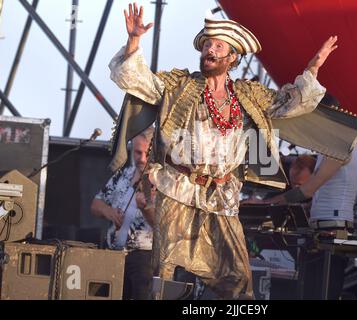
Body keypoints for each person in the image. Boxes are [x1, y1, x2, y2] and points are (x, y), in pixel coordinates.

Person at [108, 3, 339, 299]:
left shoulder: (247, 96)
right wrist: (134, 41)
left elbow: (289, 103)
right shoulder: (180, 85)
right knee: (166, 277)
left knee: (239, 283)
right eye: (207, 45)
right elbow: (137, 80)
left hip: (222, 198)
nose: (210, 50)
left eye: (218, 45)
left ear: (232, 57)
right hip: (179, 189)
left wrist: (313, 67)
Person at [91, 128, 156, 300]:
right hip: (113, 253)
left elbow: (161, 225)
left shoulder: (162, 181)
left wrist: (145, 208)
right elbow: (96, 203)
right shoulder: (123, 175)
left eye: (146, 153)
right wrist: (108, 212)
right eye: (137, 152)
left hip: (143, 256)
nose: (141, 159)